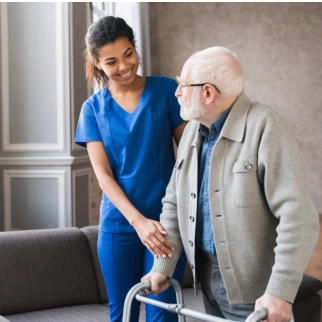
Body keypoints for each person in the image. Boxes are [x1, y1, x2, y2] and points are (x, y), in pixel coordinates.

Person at [142, 46, 319, 322]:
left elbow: (299, 218)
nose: (177, 93)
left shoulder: (266, 127)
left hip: (256, 295)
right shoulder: (191, 130)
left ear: (208, 92)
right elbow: (174, 202)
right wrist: (162, 265)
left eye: (183, 85)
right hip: (206, 280)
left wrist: (279, 292)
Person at [74, 16, 187, 322]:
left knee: (163, 314)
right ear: (98, 64)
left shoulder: (165, 90)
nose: (124, 66)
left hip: (166, 223)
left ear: (135, 49)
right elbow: (103, 175)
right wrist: (138, 222)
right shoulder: (93, 109)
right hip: (119, 224)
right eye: (111, 61)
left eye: (128, 54)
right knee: (122, 313)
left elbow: (188, 158)